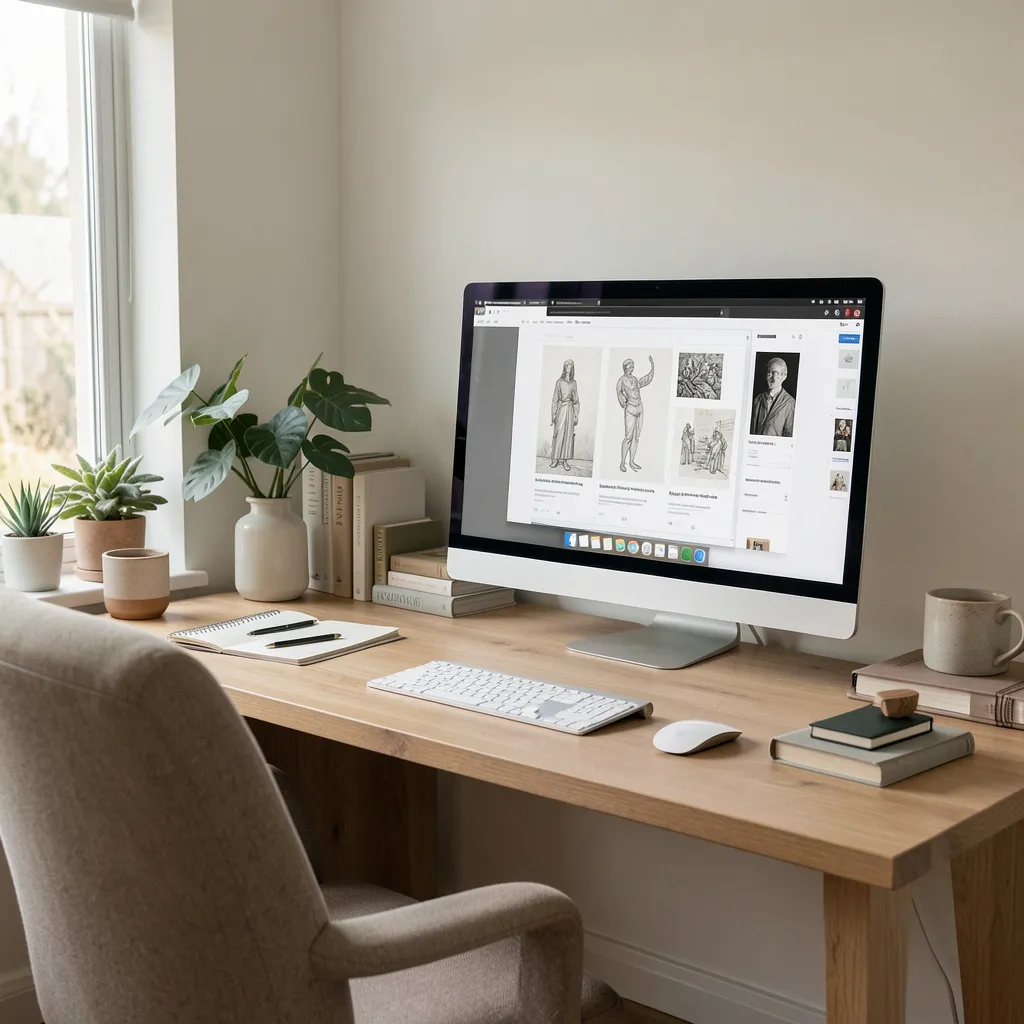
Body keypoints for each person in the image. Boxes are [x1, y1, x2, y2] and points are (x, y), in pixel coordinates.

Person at [616, 355, 655, 472]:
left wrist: (652, 367)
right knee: (628, 437)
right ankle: (622, 463)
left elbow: (646, 380)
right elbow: (618, 392)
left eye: (632, 367)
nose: (631, 369)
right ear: (625, 368)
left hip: (640, 408)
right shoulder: (621, 380)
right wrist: (623, 402)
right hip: (630, 409)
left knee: (636, 438)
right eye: (629, 367)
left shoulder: (634, 379)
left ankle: (632, 462)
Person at [749, 357, 796, 437]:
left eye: (774, 373)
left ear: (783, 376)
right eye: (768, 373)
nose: (769, 376)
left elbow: (788, 437)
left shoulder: (790, 404)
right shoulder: (758, 399)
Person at [549, 359, 579, 471]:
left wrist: (576, 414)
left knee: (568, 435)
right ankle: (555, 459)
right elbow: (555, 399)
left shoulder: (574, 383)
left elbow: (576, 400)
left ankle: (565, 460)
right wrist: (553, 414)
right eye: (567, 365)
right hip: (561, 409)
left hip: (570, 410)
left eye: (571, 366)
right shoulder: (559, 382)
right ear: (564, 367)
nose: (569, 367)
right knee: (559, 433)